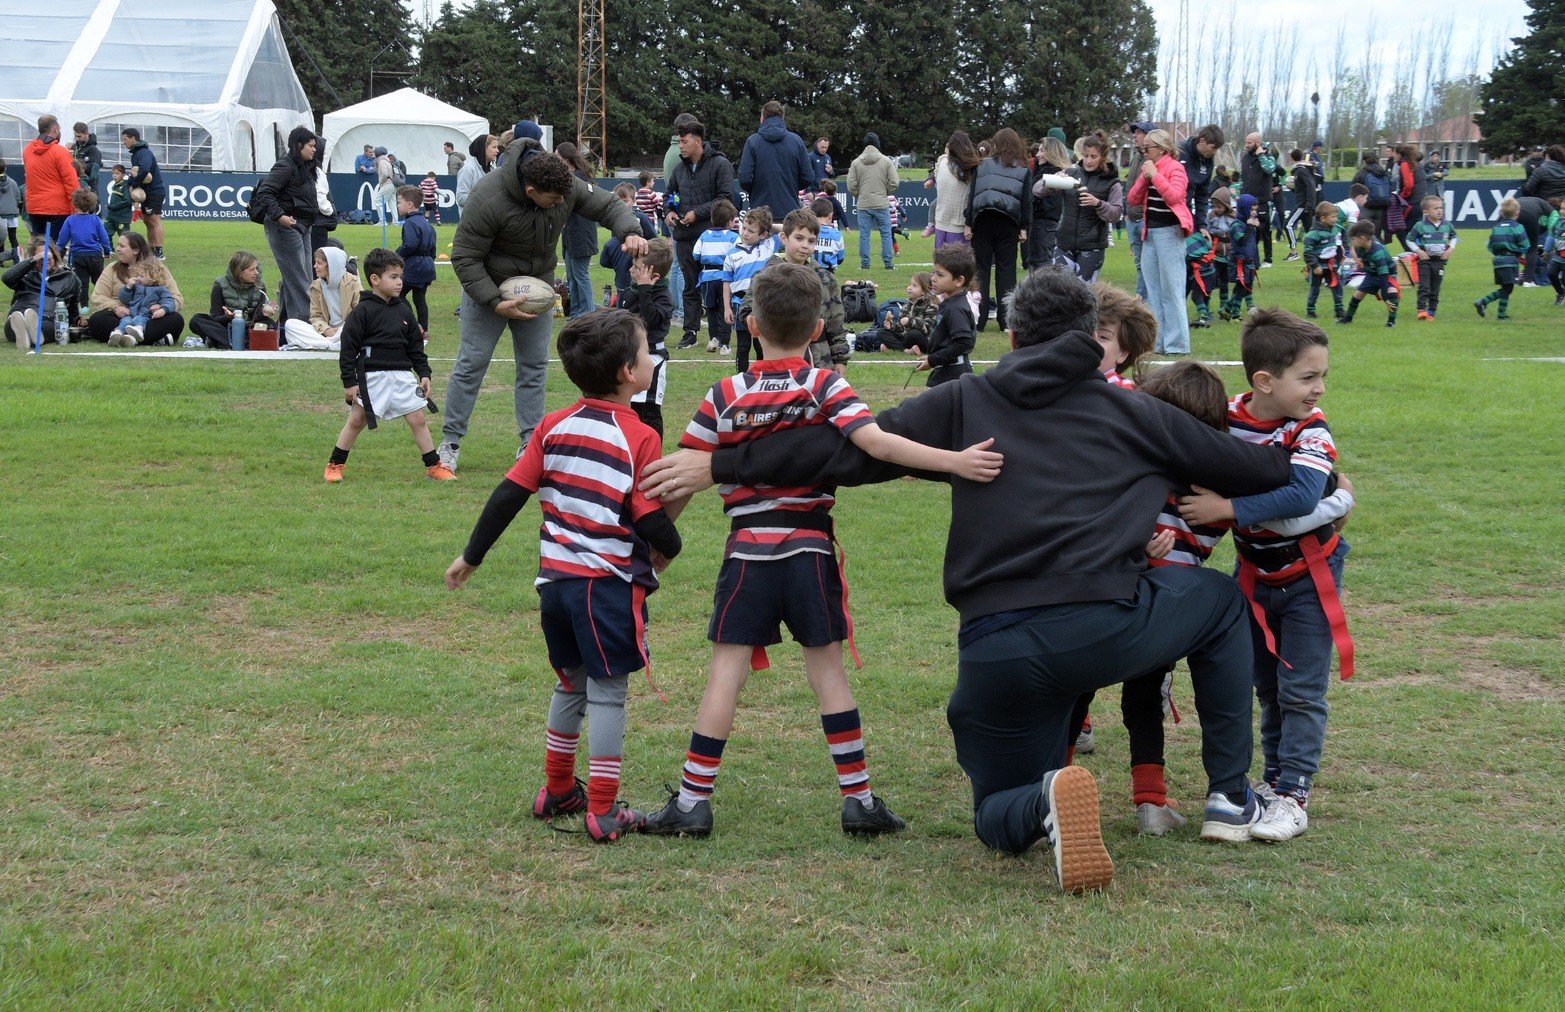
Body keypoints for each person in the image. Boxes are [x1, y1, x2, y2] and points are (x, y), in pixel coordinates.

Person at [639, 266, 1295, 888]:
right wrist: (1303, 453)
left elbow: (841, 452)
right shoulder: (1138, 415)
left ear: (1009, 338)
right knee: (1216, 600)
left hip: (995, 649)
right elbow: (1261, 473)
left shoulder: (962, 401)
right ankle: (1228, 799)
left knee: (995, 815)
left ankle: (1039, 804)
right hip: (1104, 628)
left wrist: (720, 465)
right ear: (1091, 342)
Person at [637, 262, 1004, 841]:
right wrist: (956, 461)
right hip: (809, 551)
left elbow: (682, 476)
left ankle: (691, 803)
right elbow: (879, 444)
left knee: (723, 679)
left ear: (750, 324)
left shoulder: (724, 394)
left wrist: (659, 548)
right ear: (816, 332)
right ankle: (858, 801)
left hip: (746, 555)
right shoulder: (825, 385)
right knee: (828, 675)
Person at [445, 307, 680, 841]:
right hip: (606, 587)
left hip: (555, 586)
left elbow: (509, 494)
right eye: (646, 352)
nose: (652, 359)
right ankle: (602, 807)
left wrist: (472, 555)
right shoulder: (640, 436)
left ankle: (557, 790)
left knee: (570, 680)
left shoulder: (553, 425)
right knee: (608, 691)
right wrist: (670, 544)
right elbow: (644, 514)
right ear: (628, 372)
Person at [1177, 310, 1353, 842]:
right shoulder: (1225, 419)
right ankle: (1275, 783)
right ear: (1263, 381)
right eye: (1308, 377)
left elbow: (1302, 495)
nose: (1318, 388)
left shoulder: (1311, 429)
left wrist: (1227, 508)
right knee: (1266, 686)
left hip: (1307, 576)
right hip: (1252, 574)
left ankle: (1293, 795)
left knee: (1300, 689)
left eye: (1322, 376)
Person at [439, 136, 645, 474]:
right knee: (472, 364)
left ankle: (530, 444)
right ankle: (450, 442)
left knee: (534, 367)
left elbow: (609, 205)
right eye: (555, 199)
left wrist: (630, 231)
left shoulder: (561, 185)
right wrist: (493, 300)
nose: (563, 203)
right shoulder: (488, 196)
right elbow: (464, 256)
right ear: (531, 191)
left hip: (537, 290)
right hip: (488, 290)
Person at [325, 248, 452, 483]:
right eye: (393, 277)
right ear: (375, 280)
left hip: (402, 376)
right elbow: (348, 348)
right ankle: (334, 465)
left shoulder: (404, 309)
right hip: (371, 377)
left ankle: (434, 466)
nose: (400, 282)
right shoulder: (362, 311)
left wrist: (424, 373)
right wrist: (349, 383)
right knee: (356, 420)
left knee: (418, 419)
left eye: (401, 277)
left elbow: (415, 346)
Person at [736, 208, 848, 373]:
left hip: (820, 363)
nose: (805, 245)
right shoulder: (766, 276)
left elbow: (836, 321)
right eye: (799, 238)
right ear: (783, 238)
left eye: (811, 241)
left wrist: (840, 359)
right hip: (777, 361)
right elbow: (746, 312)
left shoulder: (825, 278)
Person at [666, 120, 738, 350]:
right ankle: (690, 331)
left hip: (713, 237)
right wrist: (669, 212)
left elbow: (725, 198)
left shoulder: (720, 164)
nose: (681, 147)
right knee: (690, 285)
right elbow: (670, 193)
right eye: (679, 142)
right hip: (685, 235)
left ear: (698, 141)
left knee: (717, 286)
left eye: (684, 142)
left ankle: (720, 334)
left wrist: (697, 213)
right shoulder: (680, 168)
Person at [1127, 129, 1193, 355]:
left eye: (1148, 147)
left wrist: (1155, 175)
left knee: (1172, 291)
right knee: (1153, 291)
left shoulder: (1176, 168)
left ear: (1162, 149)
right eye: (1143, 148)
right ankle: (1157, 343)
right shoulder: (1148, 168)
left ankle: (1177, 345)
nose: (1144, 151)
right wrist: (1146, 179)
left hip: (1170, 234)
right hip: (1150, 235)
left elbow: (1175, 196)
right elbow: (1132, 199)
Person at [252, 126, 319, 331]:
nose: (314, 150)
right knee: (297, 277)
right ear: (298, 146)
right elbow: (265, 193)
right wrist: (280, 216)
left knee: (302, 277)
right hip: (286, 227)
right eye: (310, 146)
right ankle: (306, 326)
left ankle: (290, 325)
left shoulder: (306, 167)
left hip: (303, 226)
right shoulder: (285, 166)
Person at [964, 128, 1030, 331]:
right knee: (1007, 271)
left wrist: (969, 222)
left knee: (981, 270)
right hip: (1008, 222)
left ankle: (979, 319)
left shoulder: (981, 165)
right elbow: (1026, 201)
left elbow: (972, 195)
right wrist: (1024, 226)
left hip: (983, 220)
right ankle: (1006, 320)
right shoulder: (1023, 169)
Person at [86, 232, 183, 345]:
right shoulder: (111, 269)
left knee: (176, 319)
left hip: (149, 317)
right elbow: (98, 296)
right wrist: (116, 307)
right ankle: (149, 339)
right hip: (122, 317)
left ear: (136, 250)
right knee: (97, 319)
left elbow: (176, 298)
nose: (117, 249)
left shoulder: (157, 269)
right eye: (117, 245)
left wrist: (162, 308)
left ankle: (127, 338)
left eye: (122, 246)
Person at [1055, 132, 1124, 283]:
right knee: (1057, 293)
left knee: (1083, 296)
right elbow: (1038, 190)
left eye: (1093, 157)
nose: (1088, 161)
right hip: (1064, 243)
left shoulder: (1112, 182)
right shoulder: (1071, 173)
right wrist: (1054, 181)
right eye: (1085, 155)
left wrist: (1098, 204)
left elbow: (1116, 214)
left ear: (1103, 157)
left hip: (1092, 247)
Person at [623, 239, 675, 437]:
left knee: (649, 411)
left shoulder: (664, 297)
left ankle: (652, 454)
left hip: (651, 358)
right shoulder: (633, 290)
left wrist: (645, 290)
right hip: (629, 356)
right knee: (629, 408)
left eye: (637, 268)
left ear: (653, 276)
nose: (631, 270)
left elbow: (649, 320)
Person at [720, 205, 778, 374]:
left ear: (763, 234)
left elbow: (788, 230)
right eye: (744, 228)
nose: (745, 233)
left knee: (761, 345)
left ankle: (763, 375)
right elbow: (726, 282)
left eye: (751, 231)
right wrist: (727, 307)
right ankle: (741, 378)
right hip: (739, 303)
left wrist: (767, 225)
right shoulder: (732, 253)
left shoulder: (768, 246)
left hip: (762, 304)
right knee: (743, 346)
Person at [912, 242, 977, 385]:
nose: (933, 278)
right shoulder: (951, 303)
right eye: (933, 272)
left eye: (940, 275)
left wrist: (933, 360)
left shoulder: (956, 309)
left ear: (959, 280)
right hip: (946, 372)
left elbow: (964, 342)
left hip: (953, 376)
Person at [737, 100, 814, 219]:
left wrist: (757, 189)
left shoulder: (752, 142)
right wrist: (790, 185)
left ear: (762, 118)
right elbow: (808, 177)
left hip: (760, 213)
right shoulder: (796, 141)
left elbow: (744, 178)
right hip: (789, 211)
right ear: (782, 118)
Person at [187, 250, 276, 349]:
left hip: (249, 327)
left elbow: (256, 318)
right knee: (197, 320)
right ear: (239, 271)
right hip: (226, 327)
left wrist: (264, 311)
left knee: (271, 324)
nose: (256, 273)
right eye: (252, 270)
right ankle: (238, 342)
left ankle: (221, 341)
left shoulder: (260, 286)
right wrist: (227, 317)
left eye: (256, 269)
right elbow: (215, 318)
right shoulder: (220, 285)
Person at [5, 235, 81, 350]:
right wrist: (32, 260)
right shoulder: (25, 274)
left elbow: (73, 308)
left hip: (48, 317)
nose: (45, 261)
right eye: (41, 259)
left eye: (48, 258)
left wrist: (76, 323)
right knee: (15, 321)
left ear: (55, 257)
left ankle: (34, 336)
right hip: (21, 312)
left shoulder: (69, 277)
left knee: (49, 326)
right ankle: (24, 334)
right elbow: (7, 278)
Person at [283, 246, 358, 351]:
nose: (315, 266)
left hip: (346, 328)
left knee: (353, 328)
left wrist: (341, 329)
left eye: (319, 263)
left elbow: (359, 313)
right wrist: (326, 329)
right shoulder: (317, 285)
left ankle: (324, 344)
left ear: (331, 265)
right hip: (325, 333)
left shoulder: (353, 282)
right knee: (290, 324)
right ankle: (330, 345)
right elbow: (315, 316)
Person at [847, 132, 901, 271]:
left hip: (864, 204)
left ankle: (865, 264)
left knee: (864, 235)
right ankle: (888, 263)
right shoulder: (886, 161)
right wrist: (885, 191)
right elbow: (894, 182)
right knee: (886, 234)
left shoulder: (856, 162)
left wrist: (859, 193)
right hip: (881, 203)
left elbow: (851, 185)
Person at [693, 198, 739, 355]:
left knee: (711, 309)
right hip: (726, 278)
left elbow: (695, 254)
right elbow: (738, 255)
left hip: (707, 277)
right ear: (730, 221)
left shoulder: (704, 235)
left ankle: (713, 338)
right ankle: (725, 345)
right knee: (726, 309)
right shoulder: (734, 237)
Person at [23, 116, 80, 240]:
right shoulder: (60, 152)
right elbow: (71, 182)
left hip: (35, 206)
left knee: (39, 246)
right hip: (57, 208)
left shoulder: (28, 150)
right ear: (55, 129)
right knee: (54, 248)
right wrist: (75, 206)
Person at [1473, 198, 1528, 321]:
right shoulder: (1518, 227)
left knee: (1506, 287)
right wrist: (1519, 254)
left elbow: (1490, 246)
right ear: (1517, 213)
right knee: (1508, 288)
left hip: (1498, 261)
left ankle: (1500, 314)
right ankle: (1484, 303)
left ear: (1502, 213)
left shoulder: (1496, 228)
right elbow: (1525, 245)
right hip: (1510, 261)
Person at [1405, 194, 1457, 320]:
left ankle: (1432, 312)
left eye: (1440, 208)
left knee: (1435, 288)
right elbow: (1409, 240)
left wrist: (1449, 250)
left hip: (1439, 261)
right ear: (1426, 212)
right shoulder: (1420, 225)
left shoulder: (1447, 225)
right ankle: (1421, 310)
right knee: (1424, 286)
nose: (1439, 211)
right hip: (1425, 261)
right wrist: (1419, 252)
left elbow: (1454, 237)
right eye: (1435, 208)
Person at [926, 131, 980, 249]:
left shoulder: (942, 162)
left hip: (941, 220)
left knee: (941, 262)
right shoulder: (971, 167)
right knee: (958, 263)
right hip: (960, 223)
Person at [394, 185, 437, 335]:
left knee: (398, 294)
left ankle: (412, 325)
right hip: (428, 265)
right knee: (419, 298)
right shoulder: (427, 223)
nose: (397, 205)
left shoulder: (410, 223)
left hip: (414, 266)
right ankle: (424, 329)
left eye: (399, 202)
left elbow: (410, 244)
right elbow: (433, 248)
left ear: (410, 204)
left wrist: (397, 255)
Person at [1340, 220, 1399, 327]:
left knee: (1391, 293)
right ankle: (1347, 318)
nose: (1352, 242)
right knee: (1357, 295)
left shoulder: (1378, 253)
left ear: (1362, 238)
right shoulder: (1362, 246)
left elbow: (1383, 276)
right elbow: (1353, 249)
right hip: (1372, 274)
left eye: (1353, 239)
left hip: (1387, 275)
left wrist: (1384, 296)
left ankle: (1391, 321)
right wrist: (1356, 259)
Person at [1025, 133, 1071, 270]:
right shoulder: (1053, 172)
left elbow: (1035, 192)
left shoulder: (1052, 174)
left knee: (1041, 267)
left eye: (1042, 150)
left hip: (1044, 226)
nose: (1038, 154)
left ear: (1051, 152)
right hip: (1048, 226)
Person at [106, 259, 177, 348]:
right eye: (138, 275)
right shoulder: (136, 287)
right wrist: (128, 287)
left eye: (141, 276)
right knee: (125, 321)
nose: (138, 278)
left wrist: (163, 309)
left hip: (145, 315)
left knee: (140, 319)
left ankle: (137, 331)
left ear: (152, 277)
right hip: (131, 313)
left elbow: (169, 301)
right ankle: (117, 334)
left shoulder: (160, 289)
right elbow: (124, 299)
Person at [120, 128, 166, 259]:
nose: (124, 143)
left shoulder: (143, 152)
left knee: (154, 220)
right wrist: (130, 183)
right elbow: (136, 172)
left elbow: (144, 169)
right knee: (147, 220)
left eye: (125, 139)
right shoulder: (136, 153)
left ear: (133, 138)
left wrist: (134, 184)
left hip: (154, 191)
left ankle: (159, 251)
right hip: (147, 191)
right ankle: (151, 250)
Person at [57, 187, 113, 295]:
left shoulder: (70, 220)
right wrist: (107, 250)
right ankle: (102, 298)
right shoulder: (96, 220)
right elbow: (104, 237)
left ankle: (83, 305)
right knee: (99, 281)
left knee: (81, 282)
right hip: (95, 255)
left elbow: (62, 239)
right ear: (92, 204)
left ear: (74, 204)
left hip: (78, 255)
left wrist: (58, 251)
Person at [1121, 122, 1154, 299]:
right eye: (1134, 132)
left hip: (1144, 219)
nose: (1135, 135)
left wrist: (1142, 213)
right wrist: (1127, 213)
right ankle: (1142, 300)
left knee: (1147, 264)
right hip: (1131, 218)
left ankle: (1142, 301)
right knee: (1139, 263)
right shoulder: (1136, 157)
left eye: (1140, 132)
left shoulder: (1152, 160)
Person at [1240, 133, 1280, 267]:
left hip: (1263, 201)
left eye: (1250, 143)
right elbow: (1244, 179)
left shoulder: (1268, 157)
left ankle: (1268, 259)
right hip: (1248, 201)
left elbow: (1270, 169)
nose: (1247, 145)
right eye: (1246, 142)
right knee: (1250, 231)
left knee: (1266, 230)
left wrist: (1260, 155)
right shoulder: (1245, 158)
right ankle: (1252, 259)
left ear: (1258, 143)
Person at [1302, 202, 1345, 321]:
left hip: (1332, 265)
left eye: (1336, 217)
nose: (1336, 219)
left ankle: (1339, 310)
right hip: (1318, 266)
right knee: (1315, 288)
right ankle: (1310, 311)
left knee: (1337, 286)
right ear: (1323, 218)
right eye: (1333, 217)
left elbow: (1340, 242)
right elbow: (1307, 252)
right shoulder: (1313, 234)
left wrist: (1341, 256)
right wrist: (1315, 266)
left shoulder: (1336, 228)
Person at [878, 271, 937, 353]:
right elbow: (900, 328)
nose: (909, 288)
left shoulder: (931, 305)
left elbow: (927, 328)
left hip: (922, 339)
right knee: (881, 332)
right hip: (906, 337)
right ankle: (906, 350)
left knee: (914, 334)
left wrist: (909, 321)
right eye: (909, 284)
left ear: (924, 290)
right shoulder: (907, 305)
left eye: (914, 286)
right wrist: (891, 326)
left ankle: (894, 347)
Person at [1178, 125, 1224, 226]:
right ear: (1202, 141)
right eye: (1213, 148)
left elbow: (1202, 194)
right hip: (1169, 213)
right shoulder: (1180, 153)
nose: (1215, 152)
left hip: (1186, 212)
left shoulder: (1208, 161)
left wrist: (1201, 224)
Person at [1284, 148, 1320, 255]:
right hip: (1305, 203)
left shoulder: (1301, 170)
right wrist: (1293, 188)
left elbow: (1310, 186)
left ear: (1291, 158)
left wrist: (1309, 204)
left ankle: (1294, 252)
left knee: (1287, 225)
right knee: (1310, 230)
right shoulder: (1301, 170)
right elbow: (1304, 188)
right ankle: (1319, 250)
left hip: (1303, 205)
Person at [1352, 151, 1393, 245]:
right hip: (1381, 208)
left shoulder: (1361, 173)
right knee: (1376, 235)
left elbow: (1353, 190)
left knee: (1364, 234)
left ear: (1364, 161)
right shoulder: (1384, 173)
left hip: (1366, 207)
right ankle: (1380, 254)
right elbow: (1390, 188)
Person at [455, 134, 497, 213]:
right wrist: (484, 199)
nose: (497, 150)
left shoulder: (495, 170)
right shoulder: (467, 170)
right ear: (483, 148)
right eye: (494, 147)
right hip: (472, 222)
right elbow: (461, 198)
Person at [811, 197, 844, 271]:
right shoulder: (837, 235)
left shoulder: (808, 232)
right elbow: (840, 258)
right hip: (828, 273)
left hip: (809, 272)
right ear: (831, 215)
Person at [0, 160, 20, 263]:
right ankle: (16, 260)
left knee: (0, 239)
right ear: (5, 168)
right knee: (13, 238)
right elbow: (18, 197)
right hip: (12, 214)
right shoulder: (13, 182)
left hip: (1, 215)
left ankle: (1, 261)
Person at [71, 123, 102, 190]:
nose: (77, 139)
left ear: (86, 134)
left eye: (79, 136)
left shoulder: (93, 149)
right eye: (75, 136)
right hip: (75, 183)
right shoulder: (74, 147)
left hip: (89, 186)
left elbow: (94, 169)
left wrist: (77, 165)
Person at [374, 147, 398, 225]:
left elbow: (384, 174)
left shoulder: (381, 162)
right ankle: (395, 222)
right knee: (392, 202)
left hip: (387, 184)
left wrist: (381, 182)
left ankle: (382, 221)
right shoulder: (387, 161)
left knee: (378, 200)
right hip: (393, 184)